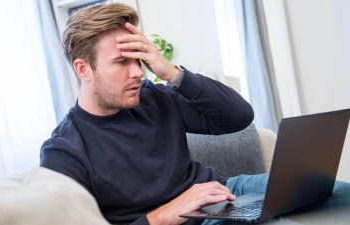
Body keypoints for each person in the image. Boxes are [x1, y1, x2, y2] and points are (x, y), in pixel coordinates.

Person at [40, 3, 267, 225]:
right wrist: (167, 214)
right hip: (181, 220)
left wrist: (171, 72)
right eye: (121, 62)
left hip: (223, 193)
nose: (138, 71)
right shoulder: (63, 152)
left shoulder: (155, 97)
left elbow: (239, 117)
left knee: (299, 183)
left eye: (138, 58)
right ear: (84, 69)